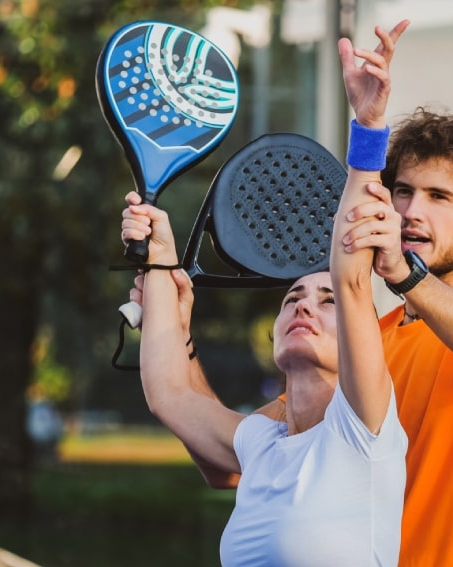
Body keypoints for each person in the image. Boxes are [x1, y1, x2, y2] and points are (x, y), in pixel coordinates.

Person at [165, 18, 453, 567]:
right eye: (402, 192)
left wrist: (403, 274)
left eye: (438, 197)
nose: (412, 211)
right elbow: (231, 456)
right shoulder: (365, 343)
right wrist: (174, 327)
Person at [119, 23, 411, 566]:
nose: (303, 303)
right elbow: (169, 394)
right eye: (292, 298)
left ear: (360, 333)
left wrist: (368, 128)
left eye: (327, 302)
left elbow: (350, 274)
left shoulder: (364, 433)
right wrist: (160, 254)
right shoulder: (262, 445)